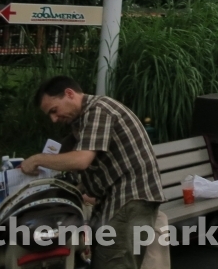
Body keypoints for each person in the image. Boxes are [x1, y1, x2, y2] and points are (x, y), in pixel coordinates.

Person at [23, 76, 163, 269]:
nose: (54, 119)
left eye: (54, 111)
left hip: (129, 199)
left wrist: (37, 159)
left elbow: (81, 160)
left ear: (69, 94)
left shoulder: (98, 110)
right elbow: (89, 171)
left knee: (113, 262)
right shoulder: (81, 122)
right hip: (117, 203)